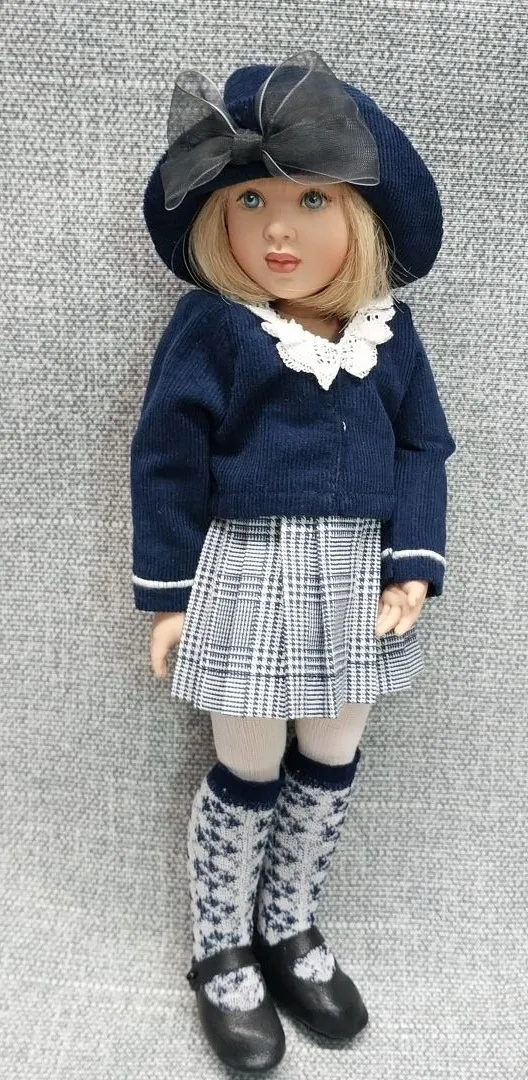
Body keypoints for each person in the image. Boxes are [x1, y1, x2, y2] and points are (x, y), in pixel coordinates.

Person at [130, 49, 457, 1073]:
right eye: (251, 202)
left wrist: (413, 560)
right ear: (217, 220)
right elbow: (168, 455)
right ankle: (221, 945)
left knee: (333, 746)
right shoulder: (215, 329)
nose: (279, 230)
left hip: (357, 579)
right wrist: (169, 594)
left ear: (360, 217)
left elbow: (424, 446)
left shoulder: (388, 335)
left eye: (312, 199)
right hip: (248, 569)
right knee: (248, 760)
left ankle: (291, 925)